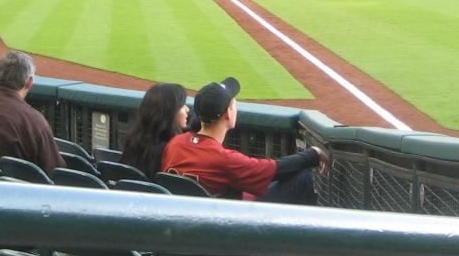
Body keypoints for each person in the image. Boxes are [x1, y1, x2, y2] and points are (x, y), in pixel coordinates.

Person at [161, 76, 325, 202]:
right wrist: (313, 154)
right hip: (222, 228)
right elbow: (273, 169)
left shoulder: (176, 143)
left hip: (183, 223)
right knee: (302, 178)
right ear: (228, 113)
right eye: (234, 104)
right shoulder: (223, 159)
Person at [119, 82, 189, 179]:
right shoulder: (172, 149)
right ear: (170, 112)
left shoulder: (133, 141)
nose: (187, 109)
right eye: (182, 105)